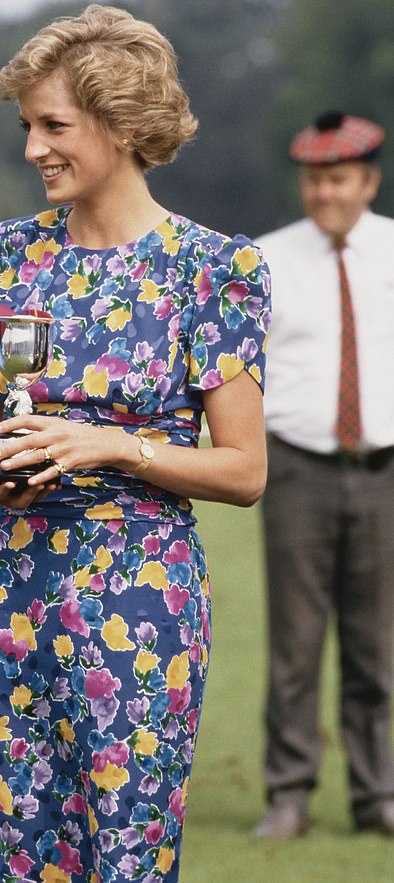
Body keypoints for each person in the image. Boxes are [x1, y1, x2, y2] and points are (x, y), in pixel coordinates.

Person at [0, 6, 270, 881]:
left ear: (123, 126)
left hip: (139, 607)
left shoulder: (210, 270)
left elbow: (245, 470)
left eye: (55, 126)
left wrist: (111, 447)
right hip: (11, 593)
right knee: (12, 851)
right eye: (27, 127)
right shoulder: (3, 257)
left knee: (124, 854)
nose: (31, 150)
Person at [253, 111, 394, 839]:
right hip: (298, 471)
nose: (324, 192)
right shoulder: (268, 260)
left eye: (337, 178)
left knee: (377, 647)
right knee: (295, 645)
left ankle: (378, 795)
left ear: (368, 180)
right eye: (314, 179)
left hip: (382, 472)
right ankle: (288, 793)